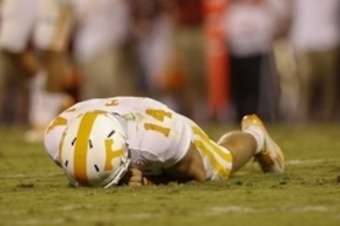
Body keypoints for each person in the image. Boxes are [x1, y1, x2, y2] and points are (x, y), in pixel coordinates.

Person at [44, 96, 284, 187]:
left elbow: (197, 174)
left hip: (157, 120)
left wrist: (150, 181)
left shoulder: (158, 139)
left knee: (219, 166)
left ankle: (256, 136)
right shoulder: (57, 136)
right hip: (118, 112)